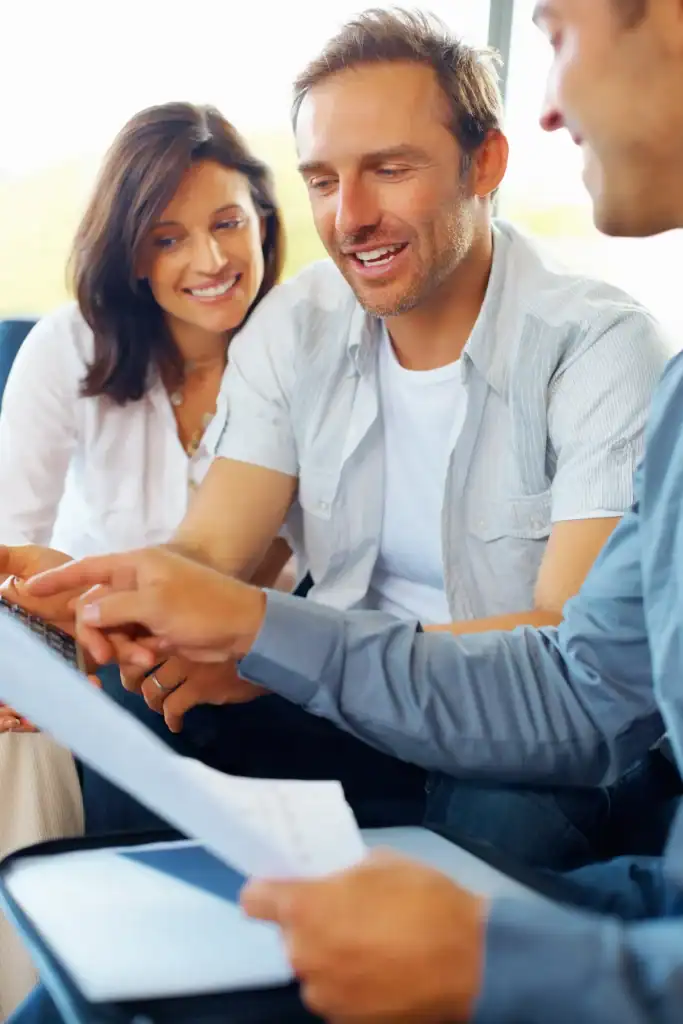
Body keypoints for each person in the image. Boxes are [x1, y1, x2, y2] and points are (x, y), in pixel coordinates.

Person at [15, 0, 683, 1021]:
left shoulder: (597, 348)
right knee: (140, 704)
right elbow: (210, 550)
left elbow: (568, 667)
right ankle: (143, 966)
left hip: (508, 733)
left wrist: (267, 642)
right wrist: (95, 604)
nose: (348, 215)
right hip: (342, 695)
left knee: (502, 809)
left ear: (485, 164)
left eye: (389, 169)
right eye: (322, 180)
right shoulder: (297, 324)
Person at [0, 99, 288, 1017]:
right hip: (86, 647)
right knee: (24, 733)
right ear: (131, 254)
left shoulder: (306, 352)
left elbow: (313, 560)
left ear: (263, 222)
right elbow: (9, 542)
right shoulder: (68, 346)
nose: (209, 261)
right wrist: (33, 656)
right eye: (168, 239)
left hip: (256, 660)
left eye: (227, 223)